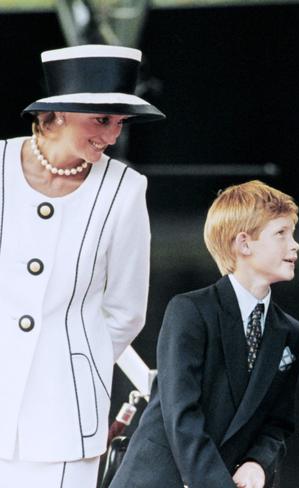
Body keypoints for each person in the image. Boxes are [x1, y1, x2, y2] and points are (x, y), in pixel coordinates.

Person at [0, 44, 164, 486]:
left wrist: (75, 363)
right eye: (101, 120)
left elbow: (126, 310)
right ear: (58, 114)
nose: (111, 137)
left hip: (66, 417)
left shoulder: (125, 190)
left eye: (119, 123)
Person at [109, 180, 299, 488]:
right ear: (244, 244)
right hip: (162, 479)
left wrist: (257, 463)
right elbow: (181, 414)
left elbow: (278, 422)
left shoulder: (289, 331)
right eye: (281, 233)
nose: (295, 245)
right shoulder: (190, 311)